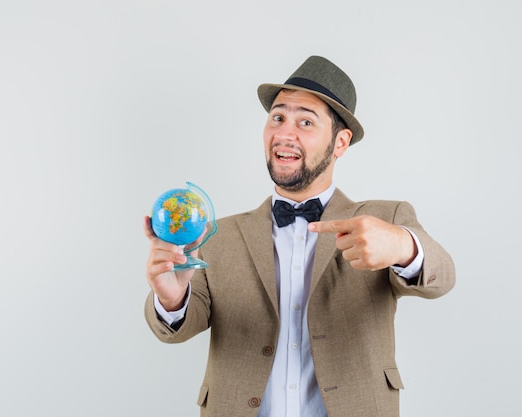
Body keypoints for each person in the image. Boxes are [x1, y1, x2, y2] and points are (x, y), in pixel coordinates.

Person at [143, 55, 456, 417]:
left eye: (305, 121)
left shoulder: (383, 221)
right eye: (278, 117)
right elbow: (177, 330)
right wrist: (170, 299)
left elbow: (443, 277)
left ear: (340, 143)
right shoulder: (217, 235)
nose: (284, 133)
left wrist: (402, 245)